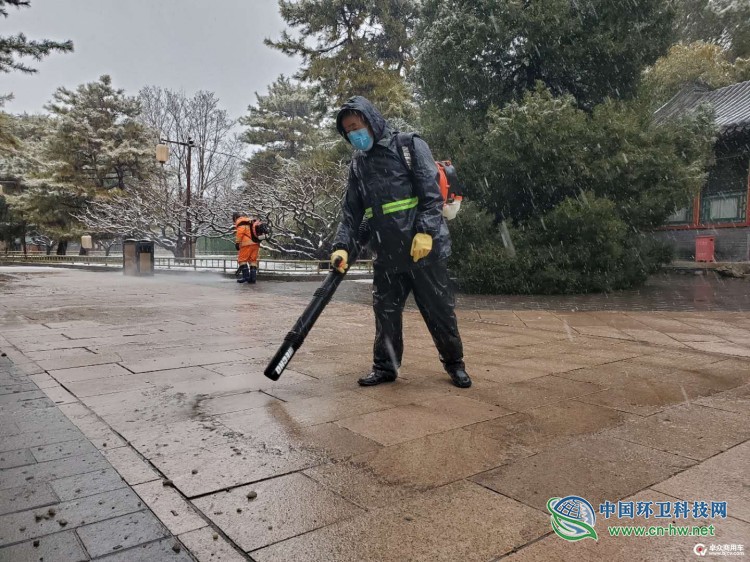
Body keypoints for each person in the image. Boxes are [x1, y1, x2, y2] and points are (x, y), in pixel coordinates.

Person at [330, 96, 471, 388]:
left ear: (370, 120)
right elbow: (352, 214)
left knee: (439, 311)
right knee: (386, 315)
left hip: (423, 252)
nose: (353, 134)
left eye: (356, 126)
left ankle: (455, 364)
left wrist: (425, 231)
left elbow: (430, 195)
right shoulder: (358, 165)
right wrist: (341, 246)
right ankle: (385, 368)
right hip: (387, 254)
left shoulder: (408, 146)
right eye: (347, 131)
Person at [233, 212, 262, 284]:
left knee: (242, 259)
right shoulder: (250, 220)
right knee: (253, 260)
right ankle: (253, 279)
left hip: (247, 243)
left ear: (235, 217)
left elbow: (240, 232)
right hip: (256, 243)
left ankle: (245, 277)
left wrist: (237, 242)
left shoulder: (240, 221)